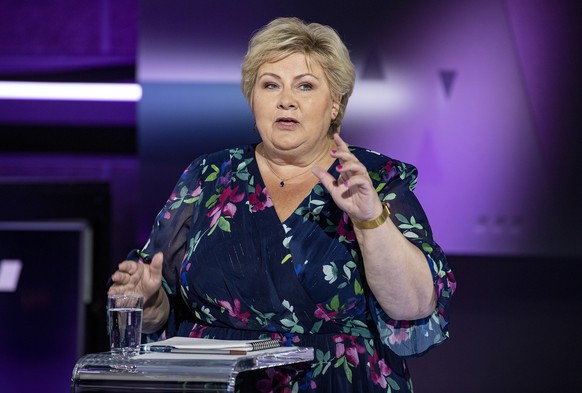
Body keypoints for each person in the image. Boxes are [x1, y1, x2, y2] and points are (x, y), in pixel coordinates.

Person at [108, 16, 456, 392]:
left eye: (305, 86)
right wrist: (147, 297)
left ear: (335, 103)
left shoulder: (373, 178)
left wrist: (370, 218)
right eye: (270, 85)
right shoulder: (208, 174)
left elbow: (414, 306)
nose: (286, 100)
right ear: (252, 98)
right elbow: (160, 312)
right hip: (215, 382)